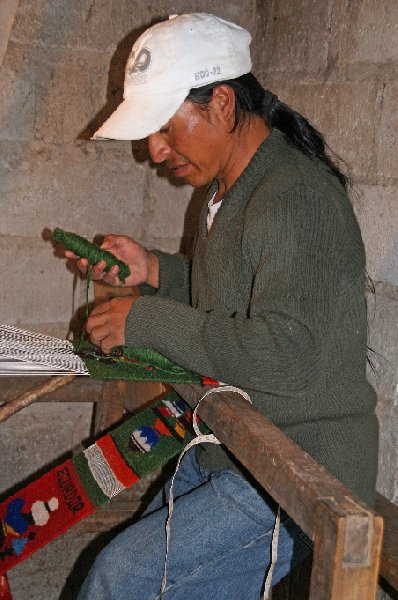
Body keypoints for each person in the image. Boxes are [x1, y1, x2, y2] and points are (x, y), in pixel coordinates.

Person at [66, 13, 378, 600]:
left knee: (118, 580)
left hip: (302, 469)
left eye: (164, 127)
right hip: (241, 446)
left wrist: (144, 319)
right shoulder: (226, 190)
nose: (154, 151)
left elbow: (285, 355)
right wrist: (155, 271)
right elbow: (230, 299)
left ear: (223, 104)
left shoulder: (293, 196)